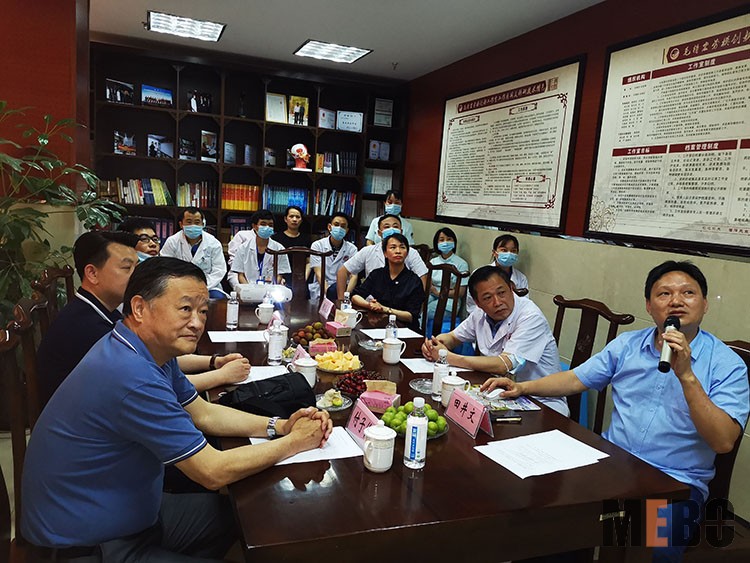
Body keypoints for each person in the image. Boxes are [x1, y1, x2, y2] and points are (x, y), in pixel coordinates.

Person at [21, 257, 332, 561]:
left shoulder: (146, 349)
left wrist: (280, 426)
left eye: (202, 311)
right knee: (249, 519)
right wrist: (295, 442)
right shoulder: (132, 376)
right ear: (139, 308)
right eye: (185, 309)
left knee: (245, 519)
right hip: (90, 542)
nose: (197, 322)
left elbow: (204, 413)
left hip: (133, 511)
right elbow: (212, 471)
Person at [482, 261, 749, 560]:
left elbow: (722, 441)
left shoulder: (727, 364)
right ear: (649, 305)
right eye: (664, 294)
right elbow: (576, 379)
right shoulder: (628, 345)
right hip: (611, 466)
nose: (676, 301)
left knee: (651, 550)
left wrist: (686, 375)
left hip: (677, 485)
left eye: (688, 293)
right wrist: (522, 387)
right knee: (550, 523)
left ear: (705, 304)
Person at [36, 231, 251, 404]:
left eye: (136, 266)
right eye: (127, 268)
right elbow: (152, 386)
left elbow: (156, 356)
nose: (137, 275)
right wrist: (222, 376)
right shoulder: (87, 329)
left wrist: (214, 362)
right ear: (92, 273)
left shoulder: (105, 310)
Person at [422, 265, 568, 415]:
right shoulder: (480, 314)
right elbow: (453, 337)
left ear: (511, 288)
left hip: (541, 402)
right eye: (487, 298)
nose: (497, 302)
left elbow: (505, 364)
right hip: (500, 394)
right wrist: (435, 344)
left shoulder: (530, 316)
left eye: (501, 293)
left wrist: (448, 357)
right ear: (478, 303)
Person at [336, 214, 428, 300]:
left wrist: (418, 303)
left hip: (401, 305)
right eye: (387, 227)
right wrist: (341, 300)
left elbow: (423, 276)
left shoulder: (411, 252)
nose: (391, 229)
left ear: (401, 231)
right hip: (371, 304)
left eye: (395, 226)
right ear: (379, 233)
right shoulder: (368, 251)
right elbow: (342, 272)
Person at [352, 233, 425, 330]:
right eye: (393, 247)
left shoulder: (414, 281)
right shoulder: (377, 274)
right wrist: (369, 305)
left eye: (402, 247)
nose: (398, 251)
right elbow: (355, 296)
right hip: (379, 324)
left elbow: (410, 316)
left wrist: (384, 309)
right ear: (385, 253)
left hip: (404, 329)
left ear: (407, 253)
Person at [161, 207, 227, 299]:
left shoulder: (213, 243)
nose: (193, 225)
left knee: (217, 298)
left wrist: (202, 286)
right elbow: (164, 267)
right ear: (181, 224)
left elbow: (219, 270)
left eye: (197, 222)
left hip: (208, 286)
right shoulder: (172, 241)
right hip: (178, 285)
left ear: (203, 224)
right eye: (189, 222)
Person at [466, 233, 528, 315]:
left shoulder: (521, 278)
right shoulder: (479, 274)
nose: (509, 254)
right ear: (494, 252)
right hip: (484, 317)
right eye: (504, 250)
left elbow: (524, 305)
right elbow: (472, 304)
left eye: (513, 251)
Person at [230, 209, 290, 289]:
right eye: (263, 224)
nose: (267, 227)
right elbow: (240, 275)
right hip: (248, 288)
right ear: (254, 226)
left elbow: (280, 274)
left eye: (270, 225)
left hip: (271, 289)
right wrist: (249, 290)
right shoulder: (243, 248)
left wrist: (271, 289)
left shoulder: (279, 249)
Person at [310, 213, 358, 302]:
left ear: (347, 230)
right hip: (321, 289)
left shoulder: (352, 249)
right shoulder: (317, 245)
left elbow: (354, 276)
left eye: (343, 226)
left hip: (344, 290)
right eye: (336, 224)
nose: (339, 228)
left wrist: (345, 296)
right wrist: (329, 293)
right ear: (329, 227)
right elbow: (319, 273)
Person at [426, 227, 470, 324]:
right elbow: (427, 283)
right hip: (432, 295)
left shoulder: (461, 264)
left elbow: (461, 292)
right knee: (418, 307)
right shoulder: (433, 262)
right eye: (441, 240)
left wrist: (438, 293)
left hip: (450, 301)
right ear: (437, 244)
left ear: (454, 243)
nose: (445, 242)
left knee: (427, 311)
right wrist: (433, 291)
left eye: (449, 239)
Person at [272, 205, 312, 288]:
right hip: (280, 279)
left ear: (301, 220)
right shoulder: (276, 238)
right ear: (285, 219)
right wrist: (279, 278)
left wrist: (303, 279)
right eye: (291, 216)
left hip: (300, 279)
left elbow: (309, 262)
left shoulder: (306, 239)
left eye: (297, 217)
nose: (294, 219)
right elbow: (272, 262)